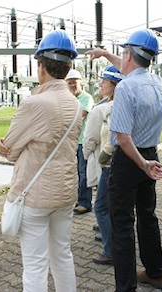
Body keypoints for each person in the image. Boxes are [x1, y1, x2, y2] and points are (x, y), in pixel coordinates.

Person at [0, 30, 81, 291]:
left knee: (34, 264)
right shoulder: (77, 103)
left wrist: (9, 147)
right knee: (62, 255)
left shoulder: (33, 103)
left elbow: (10, 150)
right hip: (66, 193)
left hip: (35, 196)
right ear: (68, 67)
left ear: (41, 65)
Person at [86, 28, 162, 291]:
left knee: (121, 223)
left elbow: (122, 137)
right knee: (147, 216)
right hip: (150, 153)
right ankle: (155, 273)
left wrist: (141, 164)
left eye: (123, 52)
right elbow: (128, 68)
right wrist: (104, 54)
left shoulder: (125, 89)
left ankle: (126, 286)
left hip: (130, 160)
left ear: (129, 54)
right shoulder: (157, 82)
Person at [83, 65, 124, 265]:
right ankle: (111, 239)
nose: (100, 84)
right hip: (120, 164)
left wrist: (92, 157)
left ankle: (110, 250)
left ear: (114, 85)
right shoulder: (121, 105)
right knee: (112, 206)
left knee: (100, 207)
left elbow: (89, 139)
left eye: (104, 81)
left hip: (108, 164)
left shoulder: (101, 109)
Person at [66, 69, 95, 215]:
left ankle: (85, 202)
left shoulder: (86, 98)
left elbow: (78, 117)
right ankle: (78, 198)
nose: (72, 85)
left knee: (84, 173)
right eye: (69, 82)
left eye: (74, 82)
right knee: (75, 173)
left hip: (83, 141)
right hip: (72, 142)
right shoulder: (69, 99)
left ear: (81, 83)